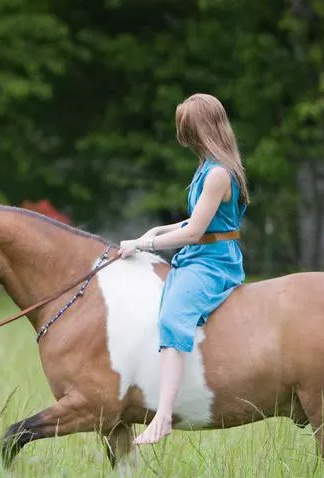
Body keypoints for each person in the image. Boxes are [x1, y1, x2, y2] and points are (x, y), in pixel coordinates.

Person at [118, 93, 249, 445]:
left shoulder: (219, 173)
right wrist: (156, 231)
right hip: (198, 254)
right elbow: (197, 220)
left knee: (172, 318)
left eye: (187, 128)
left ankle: (163, 416)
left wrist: (141, 245)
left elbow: (194, 232)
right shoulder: (207, 167)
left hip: (213, 260)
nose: (184, 136)